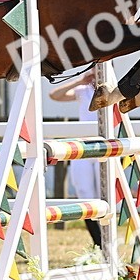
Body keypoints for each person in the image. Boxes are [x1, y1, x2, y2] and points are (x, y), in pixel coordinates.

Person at [48, 71, 102, 249]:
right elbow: (54, 95)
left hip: (104, 146)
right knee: (84, 193)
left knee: (104, 195)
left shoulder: (115, 88)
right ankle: (99, 244)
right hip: (84, 146)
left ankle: (107, 241)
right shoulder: (83, 90)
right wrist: (79, 81)